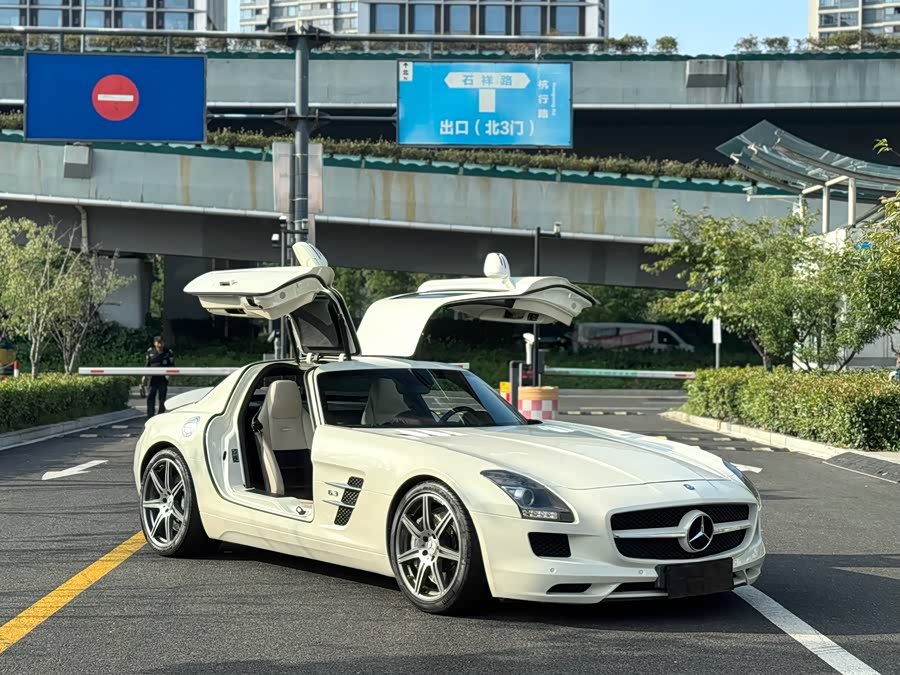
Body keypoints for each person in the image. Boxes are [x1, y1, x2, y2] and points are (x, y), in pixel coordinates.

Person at [142, 336, 174, 418]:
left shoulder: (168, 352)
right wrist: (144, 376)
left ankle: (161, 415)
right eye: (158, 342)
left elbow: (172, 366)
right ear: (154, 343)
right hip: (152, 378)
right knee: (150, 396)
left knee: (162, 397)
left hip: (163, 378)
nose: (159, 344)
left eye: (161, 342)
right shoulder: (150, 352)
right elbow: (147, 365)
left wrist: (169, 374)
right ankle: (150, 415)